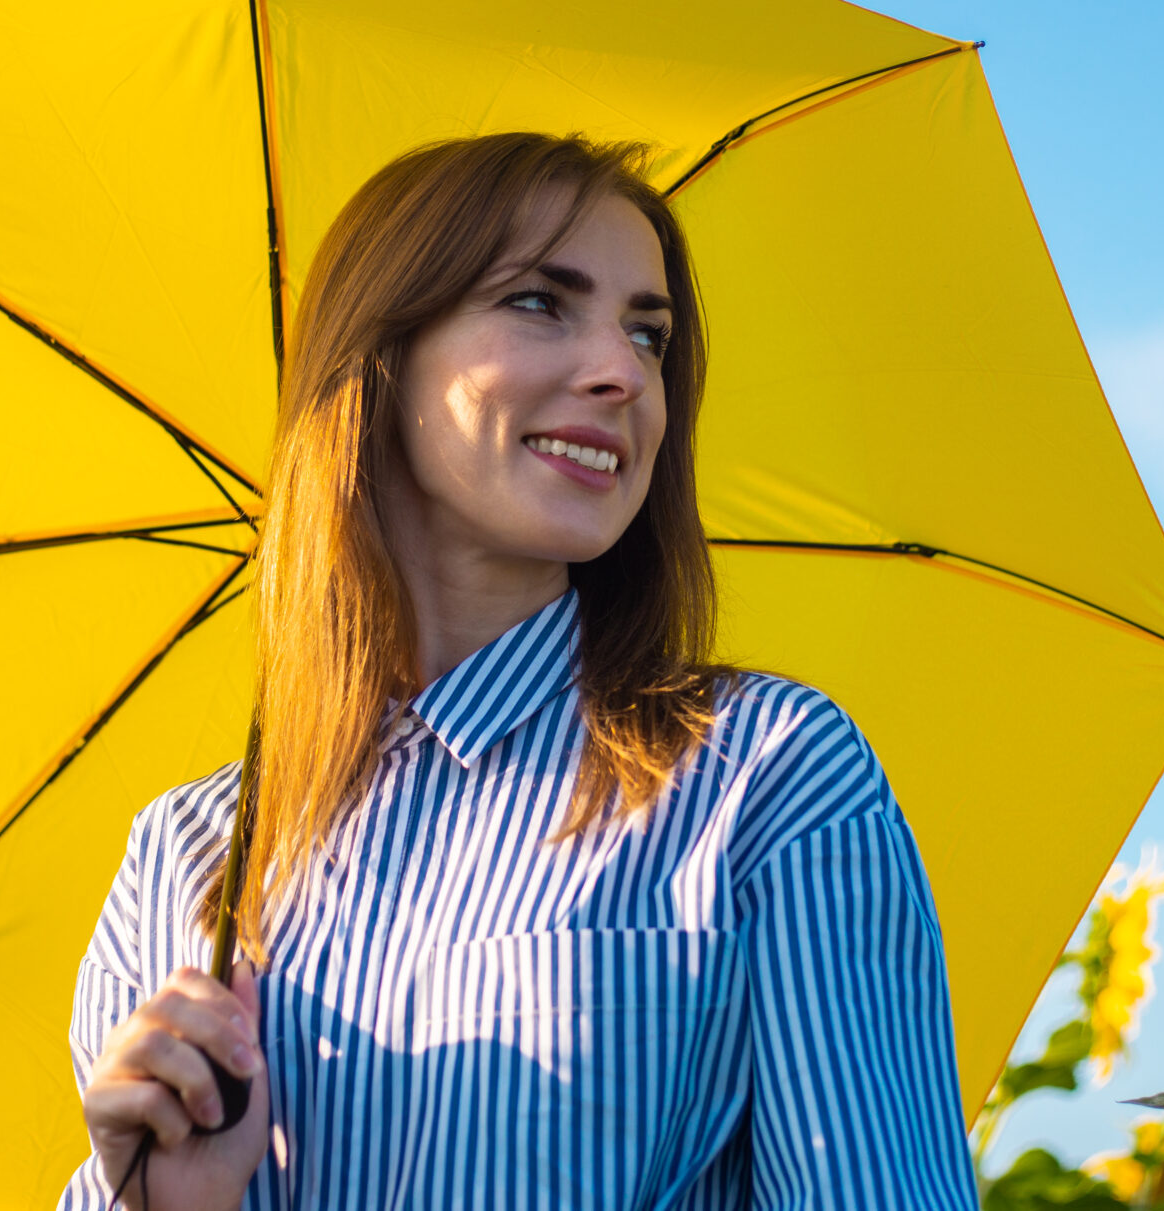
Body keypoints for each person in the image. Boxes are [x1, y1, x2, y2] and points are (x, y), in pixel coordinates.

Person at [59, 134, 977, 1211]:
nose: (623, 371)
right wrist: (169, 1203)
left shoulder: (762, 777)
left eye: (649, 333)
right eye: (543, 301)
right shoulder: (187, 861)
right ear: (381, 357)